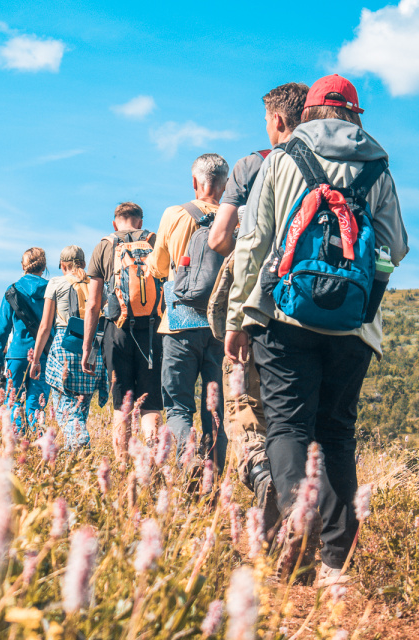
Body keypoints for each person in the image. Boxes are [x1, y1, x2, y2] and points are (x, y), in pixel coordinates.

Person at [225, 74, 408, 586]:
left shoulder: (283, 159)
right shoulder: (378, 166)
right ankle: (335, 567)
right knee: (337, 436)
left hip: (284, 318)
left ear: (307, 111)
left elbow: (253, 240)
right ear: (354, 114)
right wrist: (361, 298)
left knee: (287, 428)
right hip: (353, 327)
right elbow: (397, 246)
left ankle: (297, 535)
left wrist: (241, 316)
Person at [206, 82, 308, 536]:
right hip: (321, 308)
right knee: (299, 420)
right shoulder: (337, 164)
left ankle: (265, 480)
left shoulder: (254, 164)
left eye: (267, 120)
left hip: (260, 304)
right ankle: (298, 524)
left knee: (246, 409)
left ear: (279, 121)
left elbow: (220, 238)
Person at [149, 154, 229, 470]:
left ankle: (188, 461)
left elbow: (157, 266)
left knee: (179, 407)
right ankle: (214, 483)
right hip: (221, 327)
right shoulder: (235, 219)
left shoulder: (175, 214)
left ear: (195, 181)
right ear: (225, 185)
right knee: (216, 412)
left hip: (180, 323)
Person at [82, 202, 163, 441]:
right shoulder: (154, 242)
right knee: (150, 403)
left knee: (122, 405)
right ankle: (151, 464)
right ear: (140, 221)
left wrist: (88, 347)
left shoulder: (104, 246)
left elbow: (93, 304)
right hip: (152, 330)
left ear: (115, 222)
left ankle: (122, 469)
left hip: (116, 330)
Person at [29, 246, 108, 448]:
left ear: (63, 265)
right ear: (83, 263)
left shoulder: (56, 283)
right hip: (92, 349)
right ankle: (75, 456)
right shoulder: (97, 285)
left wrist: (36, 359)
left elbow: (45, 327)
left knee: (64, 406)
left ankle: (80, 440)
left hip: (65, 346)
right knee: (81, 407)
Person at [0, 247, 52, 432]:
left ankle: (15, 443)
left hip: (17, 355)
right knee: (36, 405)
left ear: (23, 266)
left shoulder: (12, 291)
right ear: (44, 266)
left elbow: (2, 329)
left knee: (13, 402)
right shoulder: (51, 289)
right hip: (43, 355)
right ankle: (36, 444)